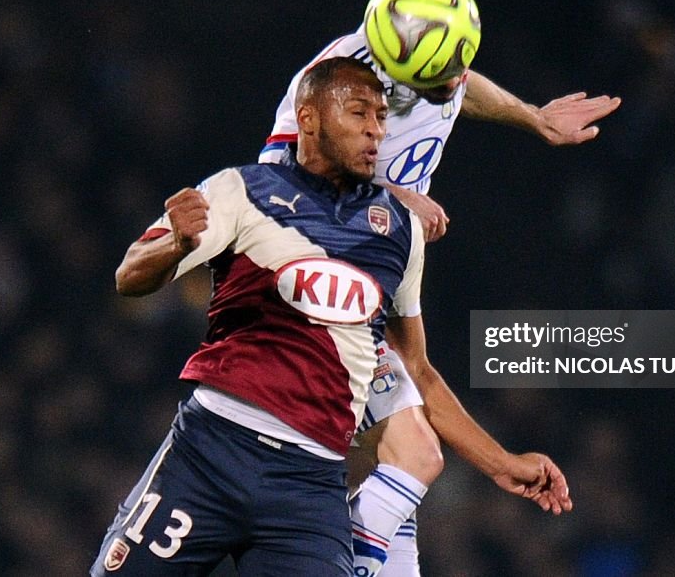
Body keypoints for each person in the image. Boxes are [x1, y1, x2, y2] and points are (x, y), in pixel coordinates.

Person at [261, 0, 603, 576]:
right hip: (311, 298)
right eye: (435, 81)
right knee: (413, 453)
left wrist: (532, 116)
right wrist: (389, 196)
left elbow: (463, 87)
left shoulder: (427, 56)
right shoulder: (331, 89)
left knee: (393, 477)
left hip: (374, 284)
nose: (453, 85)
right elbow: (275, 192)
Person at [90, 57, 426, 575]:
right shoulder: (241, 191)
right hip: (211, 453)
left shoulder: (401, 230)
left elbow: (413, 366)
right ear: (308, 117)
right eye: (359, 113)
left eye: (381, 117)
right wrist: (176, 244)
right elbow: (129, 276)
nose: (375, 130)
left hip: (310, 483)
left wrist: (499, 461)